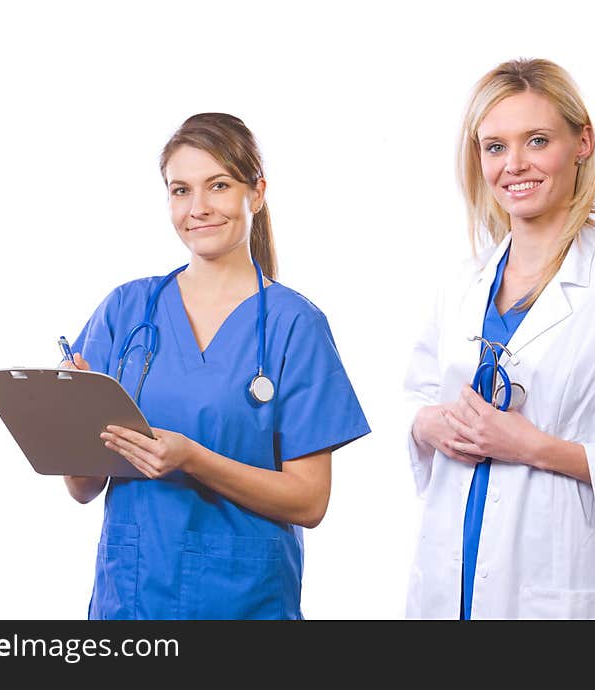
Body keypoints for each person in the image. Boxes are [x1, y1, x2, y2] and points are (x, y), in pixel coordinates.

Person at [404, 59, 595, 619]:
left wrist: (534, 447)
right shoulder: (460, 286)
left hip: (570, 586)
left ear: (582, 142)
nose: (514, 165)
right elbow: (418, 400)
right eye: (494, 147)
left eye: (537, 140)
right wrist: (426, 423)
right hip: (454, 581)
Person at [62, 113, 370, 620]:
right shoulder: (126, 310)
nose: (198, 208)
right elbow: (82, 487)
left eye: (218, 186)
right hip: (132, 601)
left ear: (257, 193)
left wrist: (192, 459)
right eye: (180, 190)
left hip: (246, 603)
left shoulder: (295, 324)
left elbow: (310, 501)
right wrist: (68, 417)